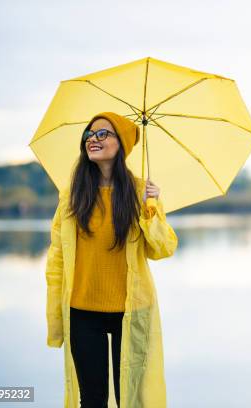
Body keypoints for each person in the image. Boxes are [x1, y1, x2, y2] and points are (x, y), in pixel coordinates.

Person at [45, 111, 178, 407]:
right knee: (92, 400)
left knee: (133, 398)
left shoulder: (142, 193)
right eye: (89, 135)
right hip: (81, 312)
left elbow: (163, 249)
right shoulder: (72, 195)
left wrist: (150, 211)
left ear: (123, 144)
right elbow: (56, 261)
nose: (93, 139)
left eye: (103, 134)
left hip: (132, 312)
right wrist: (55, 320)